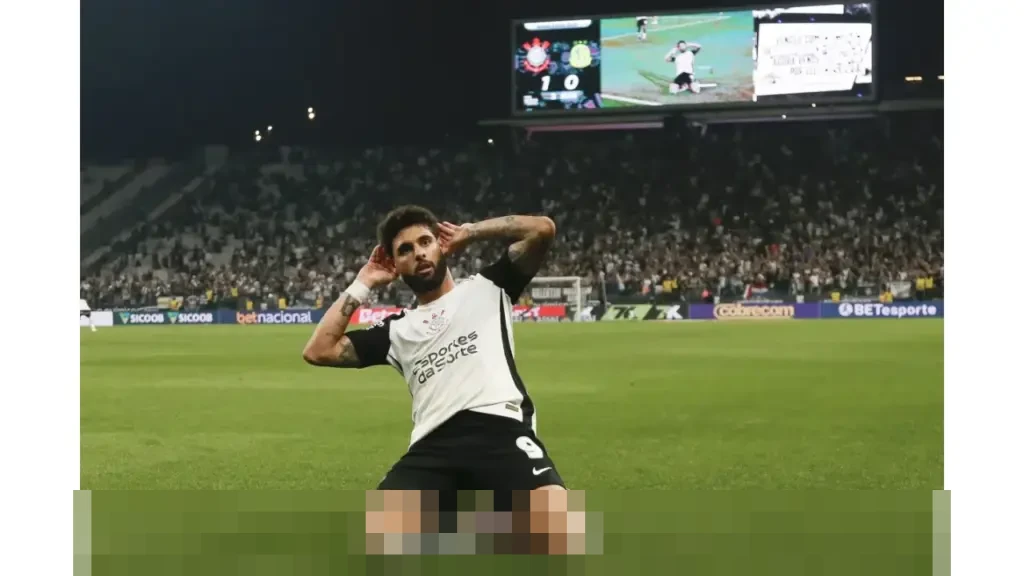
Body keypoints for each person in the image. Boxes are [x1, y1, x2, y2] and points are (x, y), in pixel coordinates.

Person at [302, 206, 570, 539]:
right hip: (432, 446)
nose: (418, 253)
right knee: (375, 537)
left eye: (425, 242)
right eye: (405, 250)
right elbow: (318, 350)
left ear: (440, 245)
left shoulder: (489, 287)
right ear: (395, 265)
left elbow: (542, 229)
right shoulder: (396, 330)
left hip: (499, 431)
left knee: (558, 529)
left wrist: (470, 231)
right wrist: (363, 281)